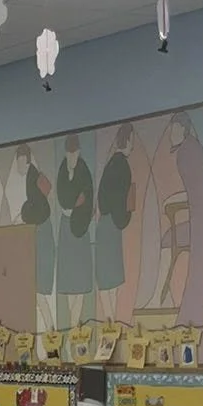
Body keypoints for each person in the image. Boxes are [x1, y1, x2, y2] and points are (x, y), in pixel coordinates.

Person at [12, 143, 56, 334]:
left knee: (38, 294)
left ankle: (51, 335)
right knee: (36, 294)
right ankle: (49, 336)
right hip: (41, 241)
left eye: (19, 162)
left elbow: (40, 209)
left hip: (43, 243)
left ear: (24, 159)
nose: (18, 167)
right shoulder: (33, 177)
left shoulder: (32, 177)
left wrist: (22, 216)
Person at [53, 133, 94, 328]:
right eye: (69, 154)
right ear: (65, 153)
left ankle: (75, 325)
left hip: (80, 227)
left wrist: (78, 207)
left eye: (75, 153)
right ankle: (72, 325)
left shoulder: (83, 170)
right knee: (69, 282)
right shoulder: (62, 170)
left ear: (79, 152)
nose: (72, 158)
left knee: (81, 281)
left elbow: (87, 198)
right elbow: (64, 198)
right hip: (66, 228)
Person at [94, 123, 134, 322]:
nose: (132, 145)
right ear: (126, 140)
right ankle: (111, 322)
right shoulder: (121, 166)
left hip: (106, 226)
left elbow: (103, 198)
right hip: (110, 226)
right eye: (132, 140)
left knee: (109, 280)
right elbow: (120, 200)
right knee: (110, 280)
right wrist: (126, 216)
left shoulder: (112, 163)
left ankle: (111, 322)